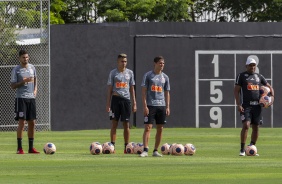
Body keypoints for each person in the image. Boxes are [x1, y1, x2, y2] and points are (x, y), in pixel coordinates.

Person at [234, 57, 274, 156]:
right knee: (246, 125)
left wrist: (271, 99)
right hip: (246, 106)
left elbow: (269, 87)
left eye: (254, 65)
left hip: (257, 106)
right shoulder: (241, 76)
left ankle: (251, 147)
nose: (252, 67)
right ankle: (242, 149)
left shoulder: (259, 76)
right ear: (246, 66)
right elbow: (236, 91)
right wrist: (238, 104)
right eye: (250, 65)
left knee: (256, 127)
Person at [140, 56, 170, 157]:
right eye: (160, 63)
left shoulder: (165, 77)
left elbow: (167, 93)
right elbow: (143, 92)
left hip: (161, 105)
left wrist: (167, 106)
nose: (162, 65)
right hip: (150, 105)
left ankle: (155, 151)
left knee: (160, 128)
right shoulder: (148, 75)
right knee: (148, 127)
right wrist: (145, 106)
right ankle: (145, 150)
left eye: (163, 63)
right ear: (155, 63)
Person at [106, 53, 137, 153]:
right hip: (115, 100)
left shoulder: (130, 73)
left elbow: (132, 88)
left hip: (126, 101)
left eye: (125, 61)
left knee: (126, 124)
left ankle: (126, 147)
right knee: (114, 123)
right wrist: (108, 104)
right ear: (117, 62)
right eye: (122, 61)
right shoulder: (113, 73)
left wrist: (134, 102)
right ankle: (112, 147)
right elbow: (110, 89)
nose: (124, 63)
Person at [11, 50, 40, 154]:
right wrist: (24, 81)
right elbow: (13, 86)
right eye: (23, 57)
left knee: (32, 122)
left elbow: (35, 79)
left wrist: (35, 89)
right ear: (19, 58)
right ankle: (19, 148)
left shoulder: (32, 67)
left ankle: (31, 148)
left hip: (31, 98)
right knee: (22, 122)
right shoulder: (16, 70)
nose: (26, 59)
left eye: (27, 57)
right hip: (21, 98)